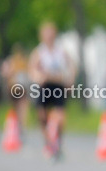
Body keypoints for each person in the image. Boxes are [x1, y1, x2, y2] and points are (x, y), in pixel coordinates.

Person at [28, 22, 75, 159]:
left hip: (58, 86)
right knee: (42, 116)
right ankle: (48, 141)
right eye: (46, 34)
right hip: (44, 87)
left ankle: (58, 142)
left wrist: (70, 79)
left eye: (51, 34)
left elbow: (71, 65)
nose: (49, 37)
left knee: (60, 117)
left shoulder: (61, 51)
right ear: (42, 36)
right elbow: (32, 69)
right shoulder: (39, 52)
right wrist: (38, 76)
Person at [1, 44, 32, 132]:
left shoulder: (24, 62)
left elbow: (29, 74)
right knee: (16, 107)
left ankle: (21, 126)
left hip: (22, 88)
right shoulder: (11, 61)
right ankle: (16, 125)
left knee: (23, 107)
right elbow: (5, 73)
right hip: (13, 88)